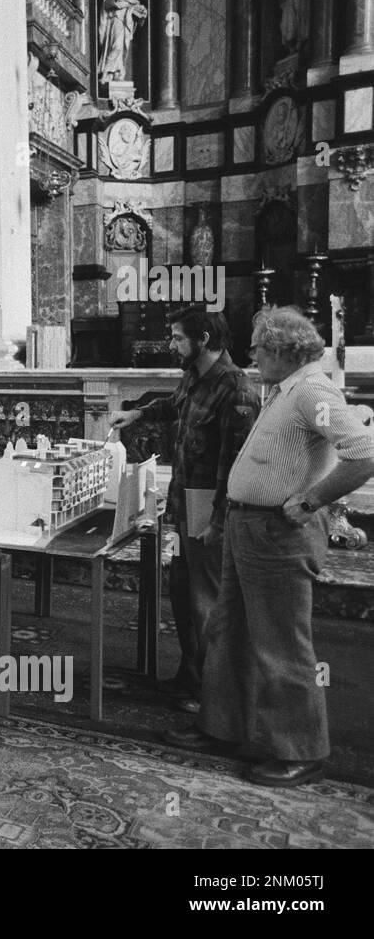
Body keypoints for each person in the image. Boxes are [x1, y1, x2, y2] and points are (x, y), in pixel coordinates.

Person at [163, 307, 374, 787]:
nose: (253, 355)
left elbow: (364, 453)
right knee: (227, 630)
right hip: (248, 527)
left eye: (259, 347)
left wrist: (312, 500)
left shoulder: (312, 391)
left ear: (281, 350)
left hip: (277, 533)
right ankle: (221, 726)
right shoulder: (286, 389)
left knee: (281, 643)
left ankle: (300, 751)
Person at [110, 308, 259, 713]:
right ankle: (189, 677)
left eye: (177, 338)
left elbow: (234, 467)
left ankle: (212, 697)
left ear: (204, 338)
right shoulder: (196, 376)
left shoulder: (236, 390)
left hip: (210, 512)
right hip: (185, 505)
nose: (171, 345)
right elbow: (175, 404)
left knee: (206, 604)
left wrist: (217, 521)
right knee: (182, 595)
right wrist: (138, 413)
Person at [98, 0, 148, 85]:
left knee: (122, 48)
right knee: (117, 47)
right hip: (116, 20)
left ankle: (117, 72)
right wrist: (124, 2)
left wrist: (141, 11)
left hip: (126, 22)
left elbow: (134, 7)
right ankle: (105, 72)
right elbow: (107, 4)